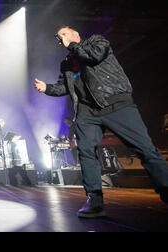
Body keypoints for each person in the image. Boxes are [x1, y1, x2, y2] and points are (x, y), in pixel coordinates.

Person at [34, 26, 168, 218]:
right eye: (59, 37)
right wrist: (47, 88)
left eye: (64, 34)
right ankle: (94, 200)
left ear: (76, 35)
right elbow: (64, 87)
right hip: (87, 112)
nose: (60, 39)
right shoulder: (66, 63)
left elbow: (94, 57)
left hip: (116, 103)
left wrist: (72, 46)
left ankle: (166, 188)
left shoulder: (97, 41)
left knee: (145, 149)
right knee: (86, 152)